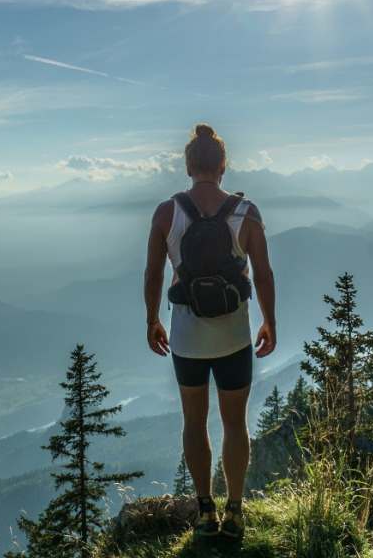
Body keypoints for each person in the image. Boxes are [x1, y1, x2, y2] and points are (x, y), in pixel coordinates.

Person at [144, 123, 277, 540]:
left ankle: (205, 512)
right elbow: (264, 273)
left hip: (187, 338)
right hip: (234, 336)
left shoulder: (168, 212)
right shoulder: (247, 212)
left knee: (194, 421)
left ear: (188, 166)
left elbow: (153, 272)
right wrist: (270, 321)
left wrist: (152, 320)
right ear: (223, 165)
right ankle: (235, 511)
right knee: (235, 424)